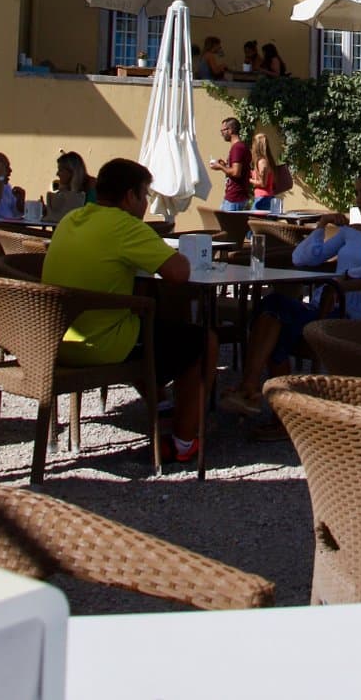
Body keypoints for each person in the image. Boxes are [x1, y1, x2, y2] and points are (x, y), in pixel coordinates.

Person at [43, 157, 215, 463]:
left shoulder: (72, 218)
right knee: (203, 341)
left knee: (147, 323)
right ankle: (185, 441)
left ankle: (162, 406)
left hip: (51, 340)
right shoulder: (127, 227)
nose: (146, 204)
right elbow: (179, 273)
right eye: (145, 195)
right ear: (129, 196)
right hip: (98, 345)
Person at [221, 167, 361, 416]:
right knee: (272, 309)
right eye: (357, 193)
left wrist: (345, 279)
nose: (359, 200)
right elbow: (302, 258)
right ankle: (260, 395)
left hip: (355, 317)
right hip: (326, 308)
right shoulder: (350, 233)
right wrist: (322, 225)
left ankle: (268, 403)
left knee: (276, 316)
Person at [210, 116, 252, 211]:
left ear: (230, 130)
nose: (222, 134)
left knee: (229, 225)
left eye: (223, 131)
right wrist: (225, 166)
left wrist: (220, 166)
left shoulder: (237, 148)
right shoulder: (240, 147)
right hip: (234, 197)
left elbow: (236, 172)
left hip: (235, 198)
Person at [46, 151, 96, 221]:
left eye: (60, 170)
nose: (57, 174)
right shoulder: (67, 187)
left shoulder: (92, 186)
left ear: (71, 171)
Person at [250, 131, 279, 211]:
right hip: (266, 197)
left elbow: (263, 183)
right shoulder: (268, 160)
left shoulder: (262, 162)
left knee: (255, 222)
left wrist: (249, 180)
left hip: (263, 199)